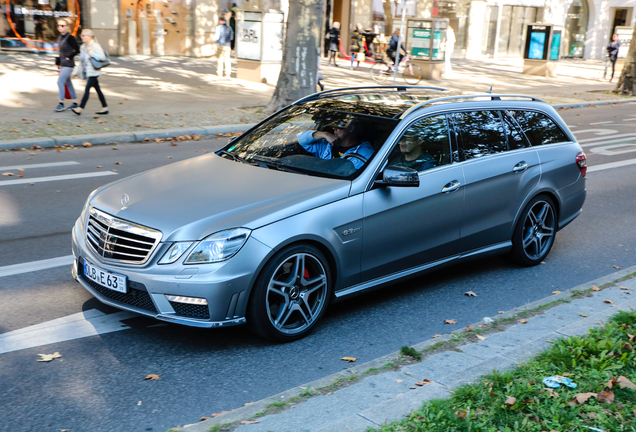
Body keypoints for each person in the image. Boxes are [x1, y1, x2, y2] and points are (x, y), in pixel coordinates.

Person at [297, 118, 374, 170]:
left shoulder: (366, 154)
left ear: (351, 128)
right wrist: (324, 134)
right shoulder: (325, 145)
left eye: (339, 125)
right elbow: (301, 139)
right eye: (334, 124)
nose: (334, 128)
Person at [70, 29, 108, 115]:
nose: (81, 37)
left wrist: (91, 52)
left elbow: (102, 57)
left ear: (89, 36)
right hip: (88, 72)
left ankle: (79, 108)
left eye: (83, 35)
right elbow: (81, 62)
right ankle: (105, 107)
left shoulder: (95, 46)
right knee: (98, 90)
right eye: (81, 35)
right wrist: (74, 72)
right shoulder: (83, 47)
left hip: (94, 72)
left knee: (87, 89)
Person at [54, 18, 79, 112]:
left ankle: (61, 103)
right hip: (63, 64)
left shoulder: (70, 38)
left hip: (69, 64)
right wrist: (59, 64)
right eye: (59, 25)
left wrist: (70, 56)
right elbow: (60, 52)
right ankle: (75, 103)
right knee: (68, 82)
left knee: (60, 81)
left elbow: (77, 49)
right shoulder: (60, 38)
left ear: (67, 27)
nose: (60, 27)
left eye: (62, 25)